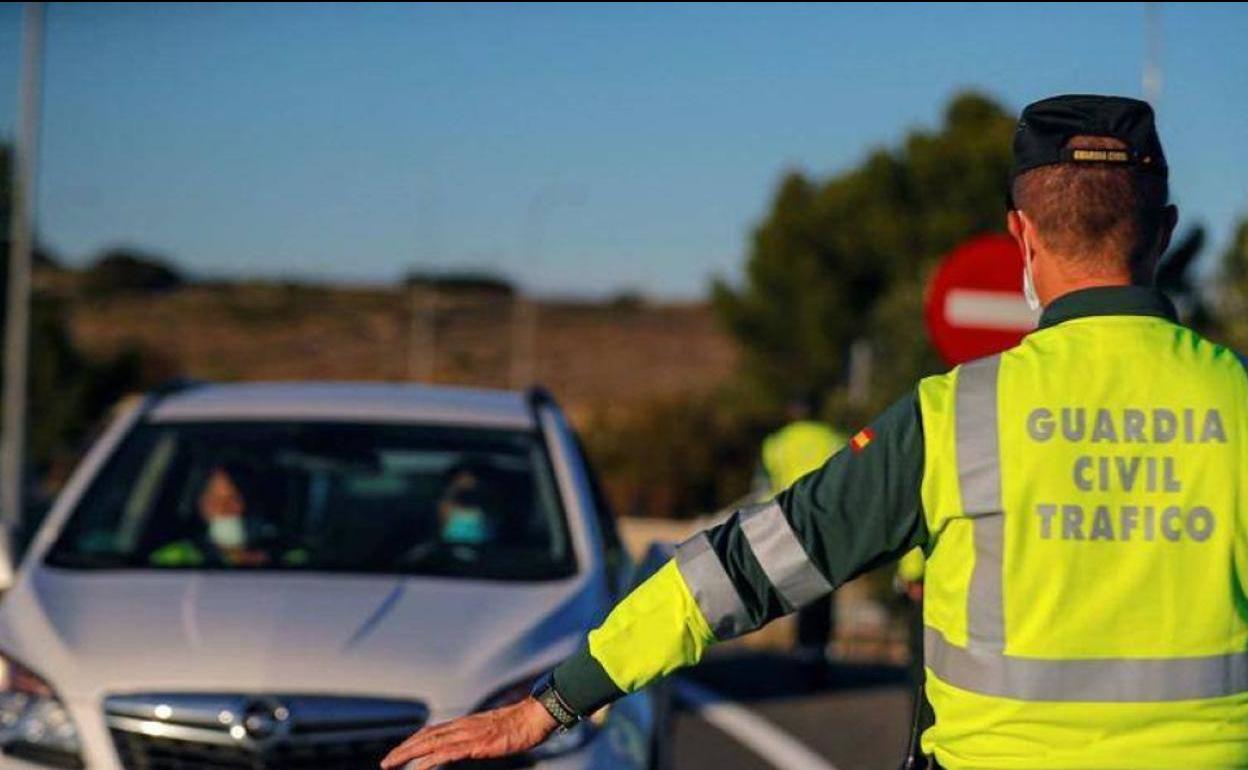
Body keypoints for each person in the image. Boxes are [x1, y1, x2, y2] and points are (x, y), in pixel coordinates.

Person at [381, 94, 1248, 770]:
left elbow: (742, 570)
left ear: (1020, 236)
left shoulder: (956, 416)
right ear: (1165, 234)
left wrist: (554, 702)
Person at [756, 399, 847, 662]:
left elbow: (768, 485)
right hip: (829, 521)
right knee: (827, 585)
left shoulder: (777, 443)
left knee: (802, 582)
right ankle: (820, 645)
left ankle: (804, 647)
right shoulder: (832, 437)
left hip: (791, 520)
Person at [149, 464, 273, 567]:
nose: (224, 508)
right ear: (200, 506)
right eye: (214, 500)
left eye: (234, 498)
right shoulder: (174, 558)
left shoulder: (285, 559)